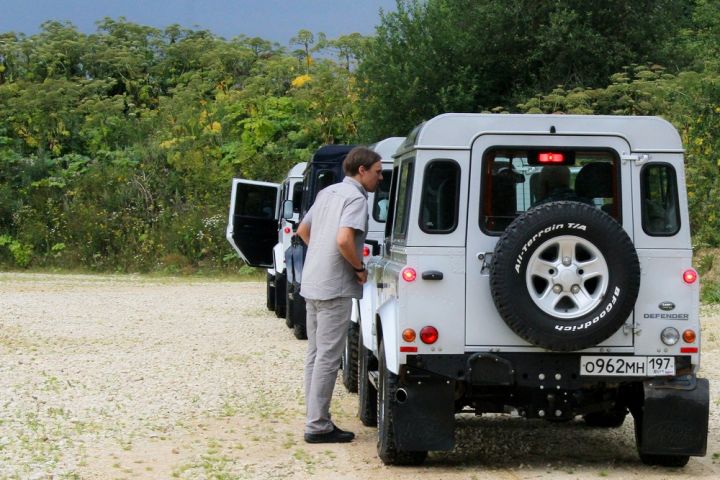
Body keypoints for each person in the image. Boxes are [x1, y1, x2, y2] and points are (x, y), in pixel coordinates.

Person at [296, 146, 383, 443]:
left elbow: (302, 231)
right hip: (335, 286)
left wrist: (320, 254)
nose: (379, 178)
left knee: (315, 354)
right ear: (362, 170)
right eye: (377, 171)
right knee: (329, 357)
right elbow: (345, 239)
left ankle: (313, 417)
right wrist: (358, 267)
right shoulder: (356, 199)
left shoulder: (328, 192)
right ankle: (318, 425)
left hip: (312, 281)